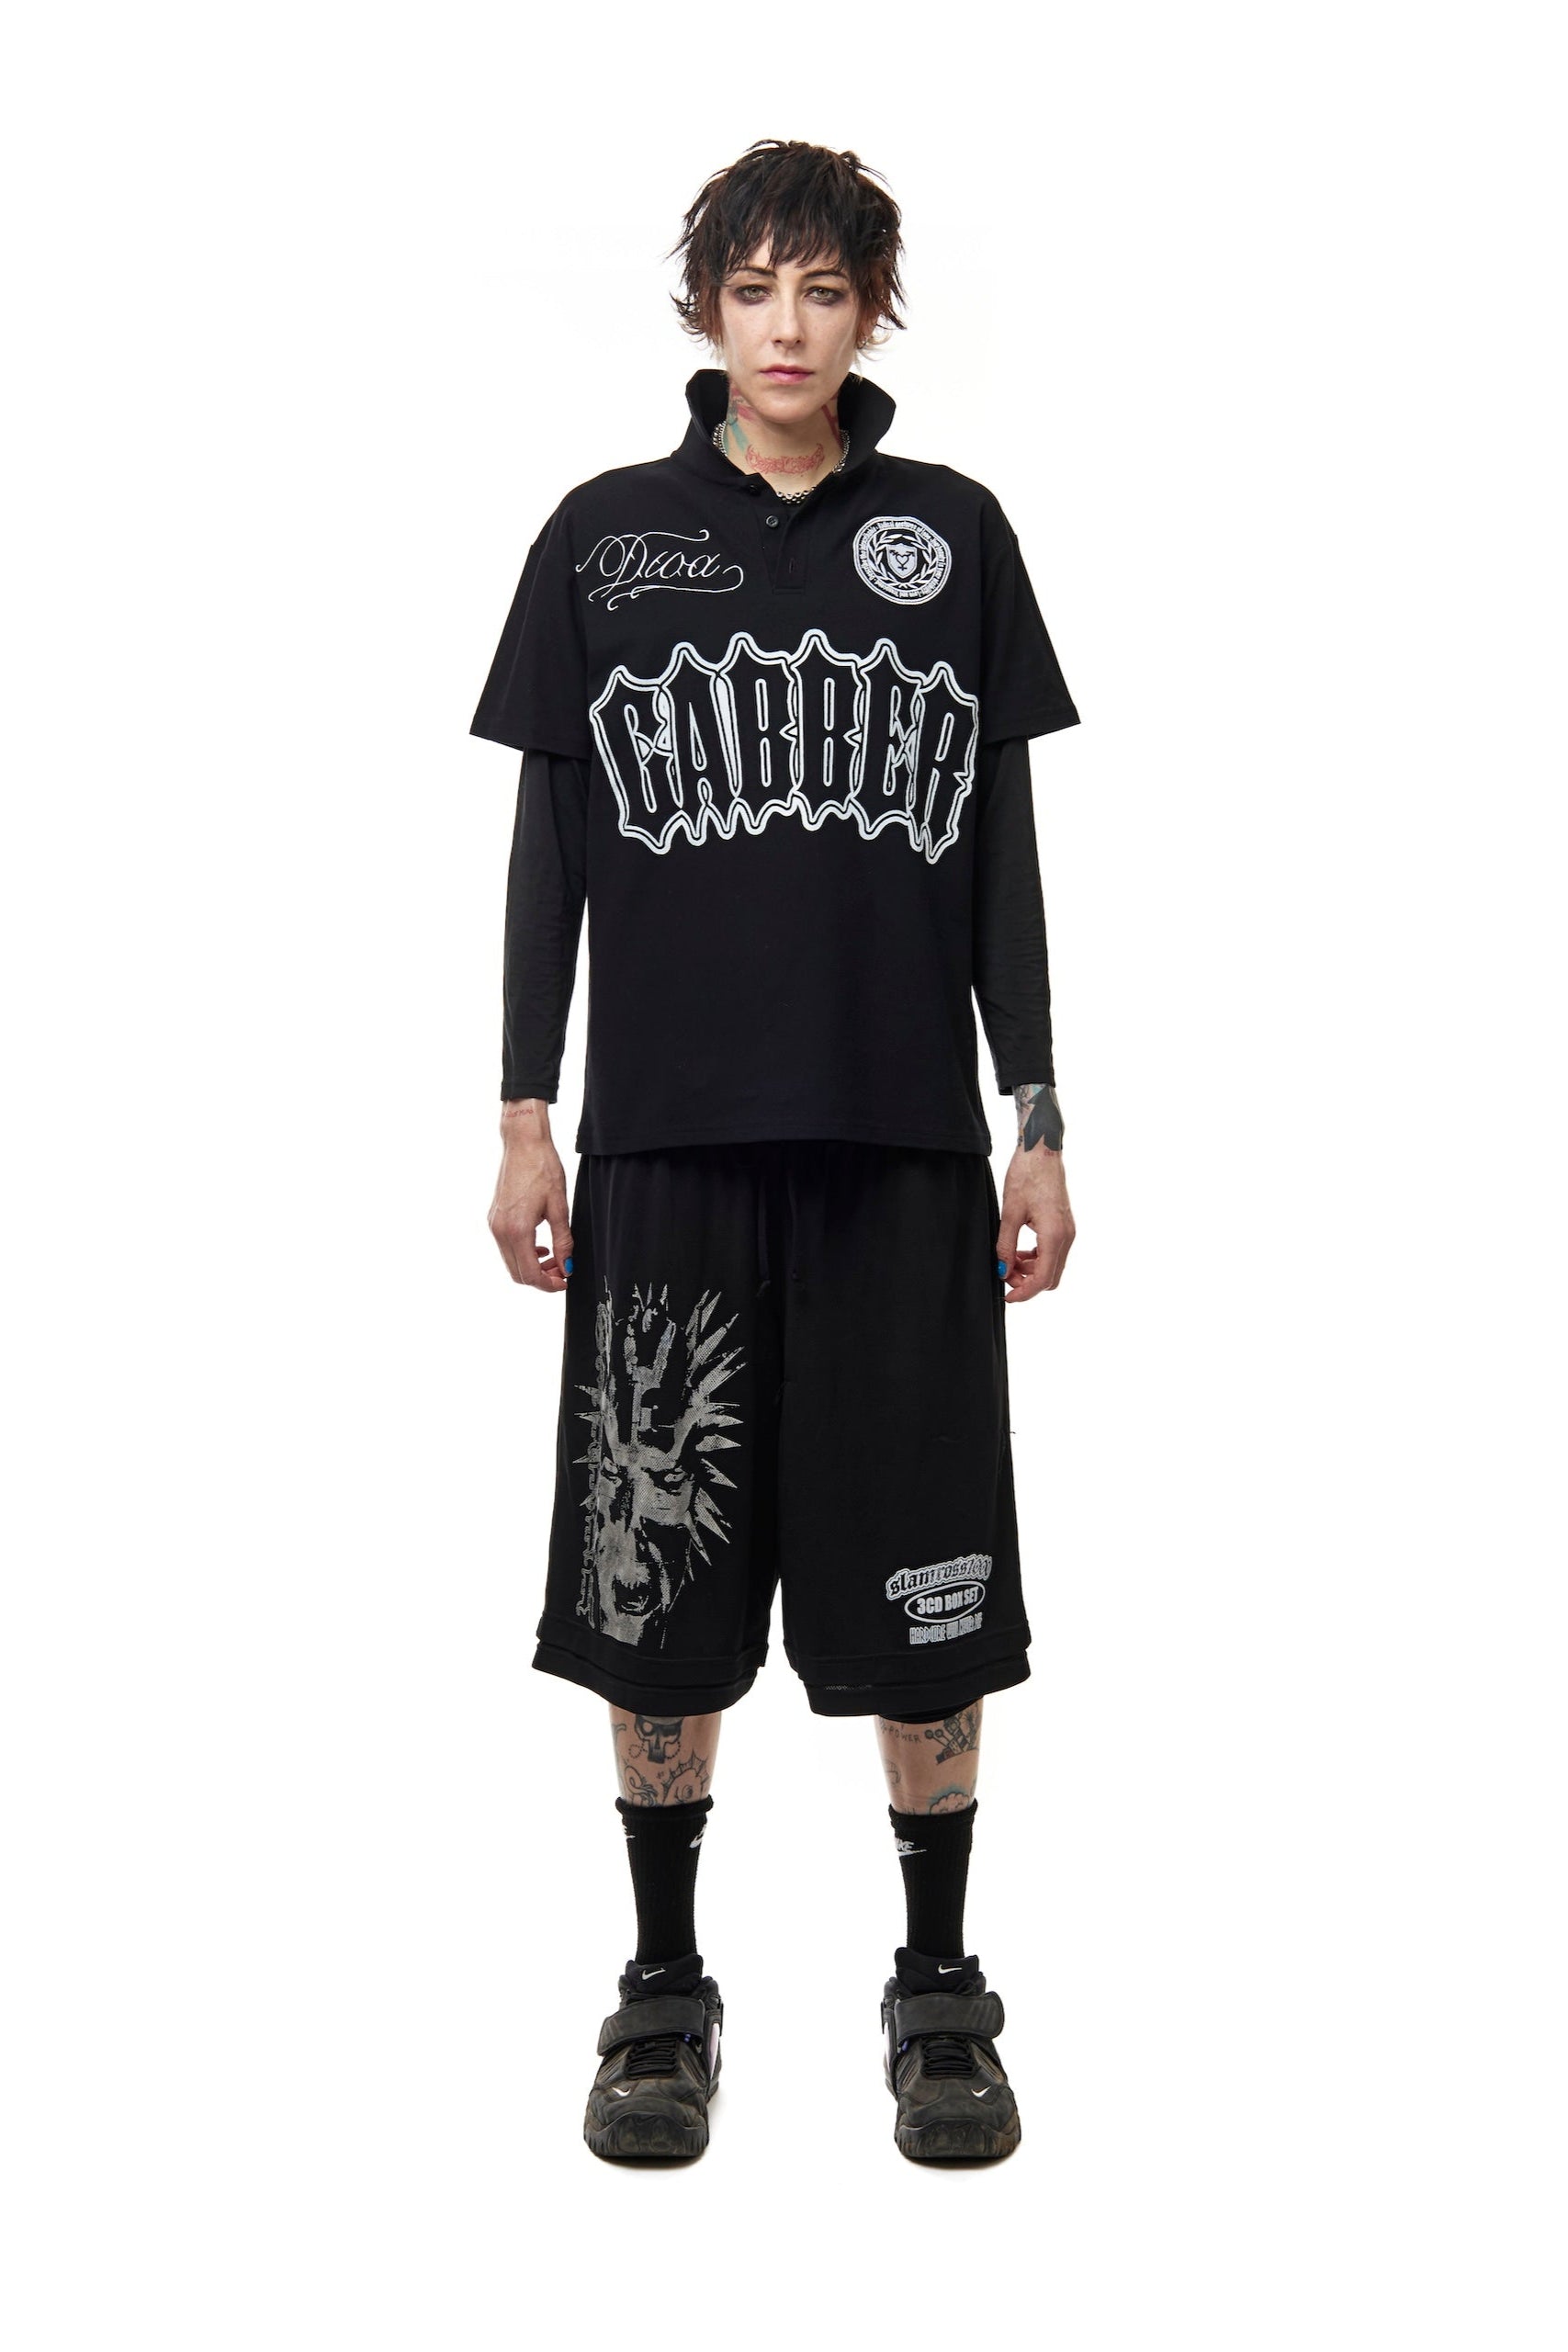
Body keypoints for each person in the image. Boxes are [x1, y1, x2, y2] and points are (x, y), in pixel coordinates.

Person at [470, 139, 1078, 2165]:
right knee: (653, 1579)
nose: (789, 328)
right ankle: (662, 1989)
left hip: (904, 1144)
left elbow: (999, 851)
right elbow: (551, 844)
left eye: (824, 291)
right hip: (665, 1145)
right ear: (707, 308)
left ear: (871, 310)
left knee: (929, 1580)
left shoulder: (950, 534)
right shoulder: (603, 540)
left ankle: (938, 1989)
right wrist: (524, 1112)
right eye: (755, 290)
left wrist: (1037, 1112)